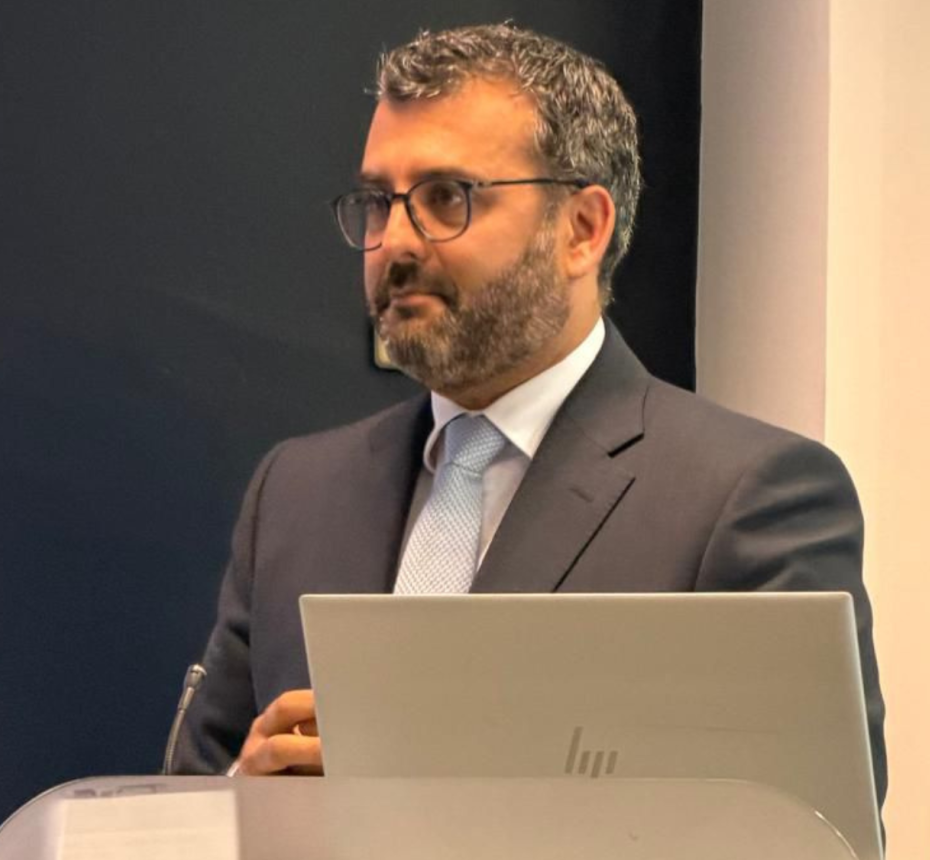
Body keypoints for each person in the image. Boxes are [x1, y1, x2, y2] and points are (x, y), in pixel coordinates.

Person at [173, 22, 887, 804]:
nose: (395, 243)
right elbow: (189, 799)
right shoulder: (296, 494)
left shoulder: (746, 500)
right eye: (380, 202)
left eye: (446, 198)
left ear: (582, 230)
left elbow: (814, 833)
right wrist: (251, 793)